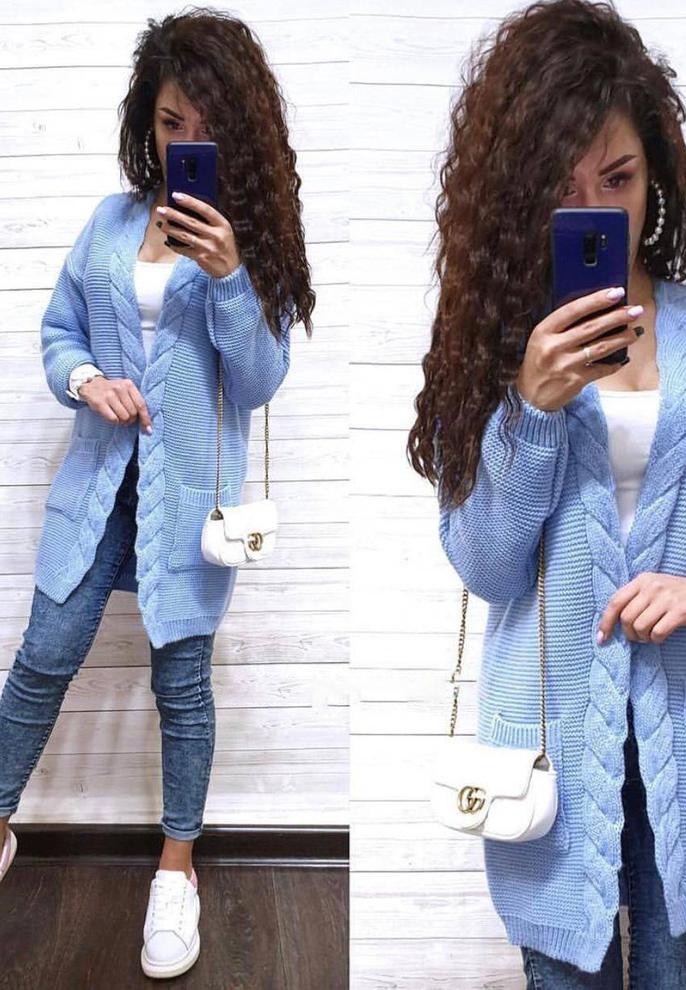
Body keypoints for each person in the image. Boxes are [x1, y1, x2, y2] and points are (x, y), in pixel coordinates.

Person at [407, 0, 686, 986]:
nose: (599, 213)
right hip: (546, 762)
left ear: (657, 171)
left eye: (618, 178)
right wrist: (531, 410)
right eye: (563, 190)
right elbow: (487, 568)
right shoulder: (490, 353)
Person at [0, 7, 314, 981]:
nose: (186, 144)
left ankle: (177, 867)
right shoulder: (110, 221)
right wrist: (84, 379)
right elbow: (59, 330)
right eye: (172, 122)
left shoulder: (247, 245)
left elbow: (258, 382)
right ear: (149, 119)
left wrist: (229, 276)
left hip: (186, 504)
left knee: (181, 683)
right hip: (99, 483)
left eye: (206, 127)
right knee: (45, 655)